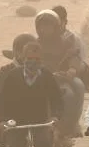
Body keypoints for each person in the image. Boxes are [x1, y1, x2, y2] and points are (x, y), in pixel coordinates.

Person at [35, 10, 85, 138]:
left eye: (48, 25)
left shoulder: (66, 42)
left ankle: (70, 127)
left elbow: (74, 55)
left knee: (78, 86)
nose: (44, 29)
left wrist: (72, 68)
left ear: (56, 27)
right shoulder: (35, 44)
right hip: (40, 80)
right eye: (42, 25)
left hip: (61, 79)